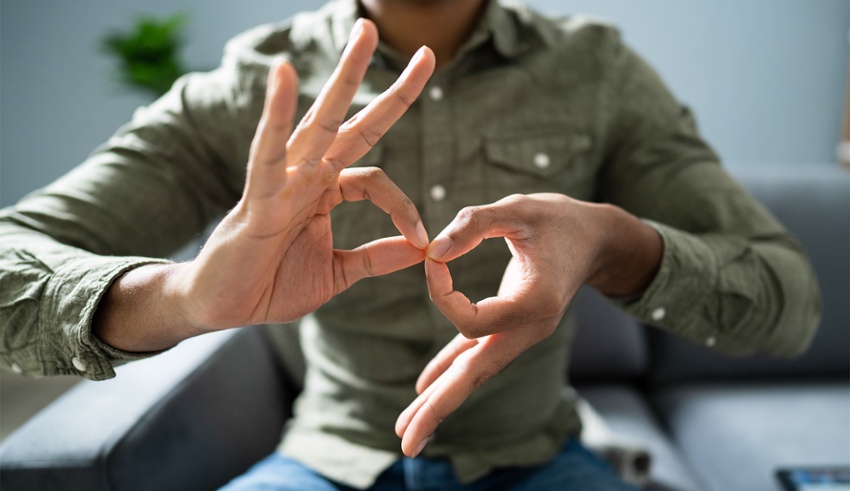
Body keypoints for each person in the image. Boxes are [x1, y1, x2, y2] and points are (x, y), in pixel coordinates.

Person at [0, 0, 822, 489]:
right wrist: (180, 299)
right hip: (327, 456)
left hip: (539, 456)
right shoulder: (253, 84)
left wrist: (613, 242)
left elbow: (788, 303)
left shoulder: (596, 70)